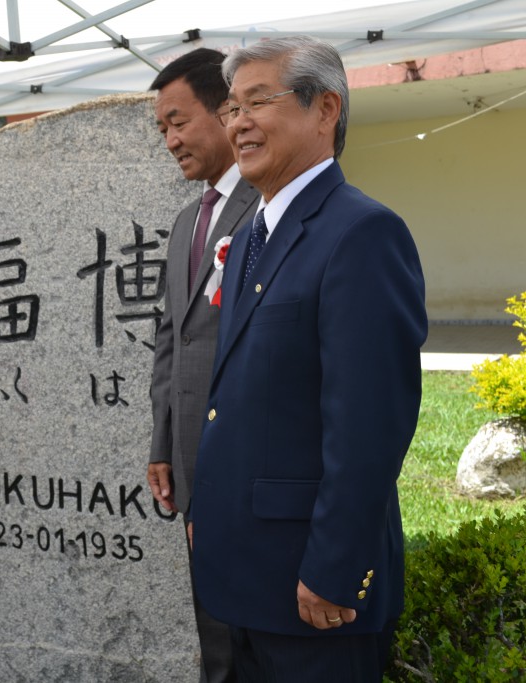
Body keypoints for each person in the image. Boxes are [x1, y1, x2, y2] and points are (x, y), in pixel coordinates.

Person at [189, 36, 427, 681]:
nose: (237, 122)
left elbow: (370, 425)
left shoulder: (362, 233)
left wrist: (335, 569)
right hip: (242, 573)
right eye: (231, 107)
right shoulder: (246, 241)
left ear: (326, 109)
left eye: (257, 101)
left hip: (314, 590)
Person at [146, 48, 260, 683]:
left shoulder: (268, 206)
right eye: (161, 128)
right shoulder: (190, 219)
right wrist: (163, 443)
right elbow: (171, 339)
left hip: (251, 471)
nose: (171, 140)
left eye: (178, 121)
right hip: (194, 472)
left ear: (227, 110)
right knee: (215, 640)